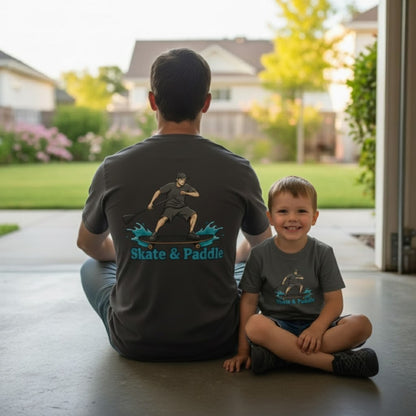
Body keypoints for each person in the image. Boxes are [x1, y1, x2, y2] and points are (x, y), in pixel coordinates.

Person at [77, 48, 271, 361]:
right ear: (206, 103)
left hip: (134, 339)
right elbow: (263, 245)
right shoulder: (238, 169)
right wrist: (231, 257)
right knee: (253, 264)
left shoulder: (112, 168)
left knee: (91, 267)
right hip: (220, 337)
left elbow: (88, 244)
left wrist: (132, 251)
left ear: (152, 100)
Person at [223, 176, 379, 377]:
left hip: (319, 326)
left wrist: (316, 329)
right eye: (283, 211)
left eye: (302, 211)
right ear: (269, 218)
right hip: (277, 326)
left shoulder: (323, 253)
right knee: (255, 325)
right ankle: (331, 364)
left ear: (314, 217)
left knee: (361, 324)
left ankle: (280, 357)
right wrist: (243, 351)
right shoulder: (259, 254)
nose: (292, 218)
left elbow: (334, 302)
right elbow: (248, 302)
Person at [147, 172, 200, 241]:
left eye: (184, 180)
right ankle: (155, 233)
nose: (183, 181)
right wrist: (151, 203)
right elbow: (158, 192)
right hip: (170, 207)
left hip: (182, 207)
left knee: (194, 215)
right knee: (164, 218)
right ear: (177, 179)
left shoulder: (187, 186)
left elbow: (197, 194)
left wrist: (186, 193)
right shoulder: (170, 185)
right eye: (181, 180)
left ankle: (191, 233)